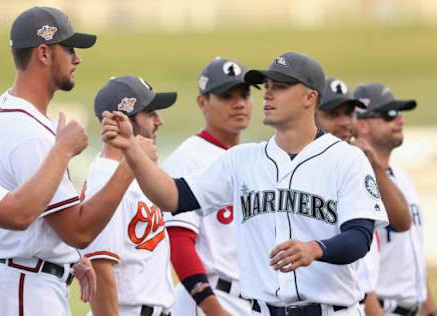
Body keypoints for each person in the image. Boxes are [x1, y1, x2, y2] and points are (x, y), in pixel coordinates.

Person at [101, 51, 389, 315]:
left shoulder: (346, 159)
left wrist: (316, 248)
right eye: (267, 87)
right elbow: (172, 197)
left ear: (309, 97)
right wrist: (132, 150)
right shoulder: (242, 160)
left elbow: (359, 237)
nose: (268, 95)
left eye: (281, 87)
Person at [0, 7, 141, 316]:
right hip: (26, 288)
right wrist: (131, 163)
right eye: (69, 49)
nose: (77, 59)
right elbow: (77, 231)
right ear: (43, 53)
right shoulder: (32, 135)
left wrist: (69, 256)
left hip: (13, 276)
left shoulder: (3, 107)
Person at [163, 57, 253, 316]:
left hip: (254, 301)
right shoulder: (188, 158)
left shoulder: (254, 156)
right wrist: (213, 309)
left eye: (245, 95)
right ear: (203, 102)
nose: (239, 104)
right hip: (211, 300)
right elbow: (179, 241)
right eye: (226, 96)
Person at [316, 77, 413, 315]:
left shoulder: (358, 162)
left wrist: (375, 167)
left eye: (349, 113)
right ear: (312, 116)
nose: (344, 122)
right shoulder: (307, 169)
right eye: (333, 114)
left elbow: (402, 222)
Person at [82, 76, 176, 316]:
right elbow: (100, 269)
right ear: (120, 119)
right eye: (150, 113)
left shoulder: (134, 173)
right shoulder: (106, 178)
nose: (159, 120)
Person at [355, 83, 437, 316]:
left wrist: (430, 310)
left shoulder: (402, 177)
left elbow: (412, 254)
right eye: (389, 114)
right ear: (362, 124)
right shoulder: (357, 180)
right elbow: (360, 267)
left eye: (400, 113)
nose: (399, 120)